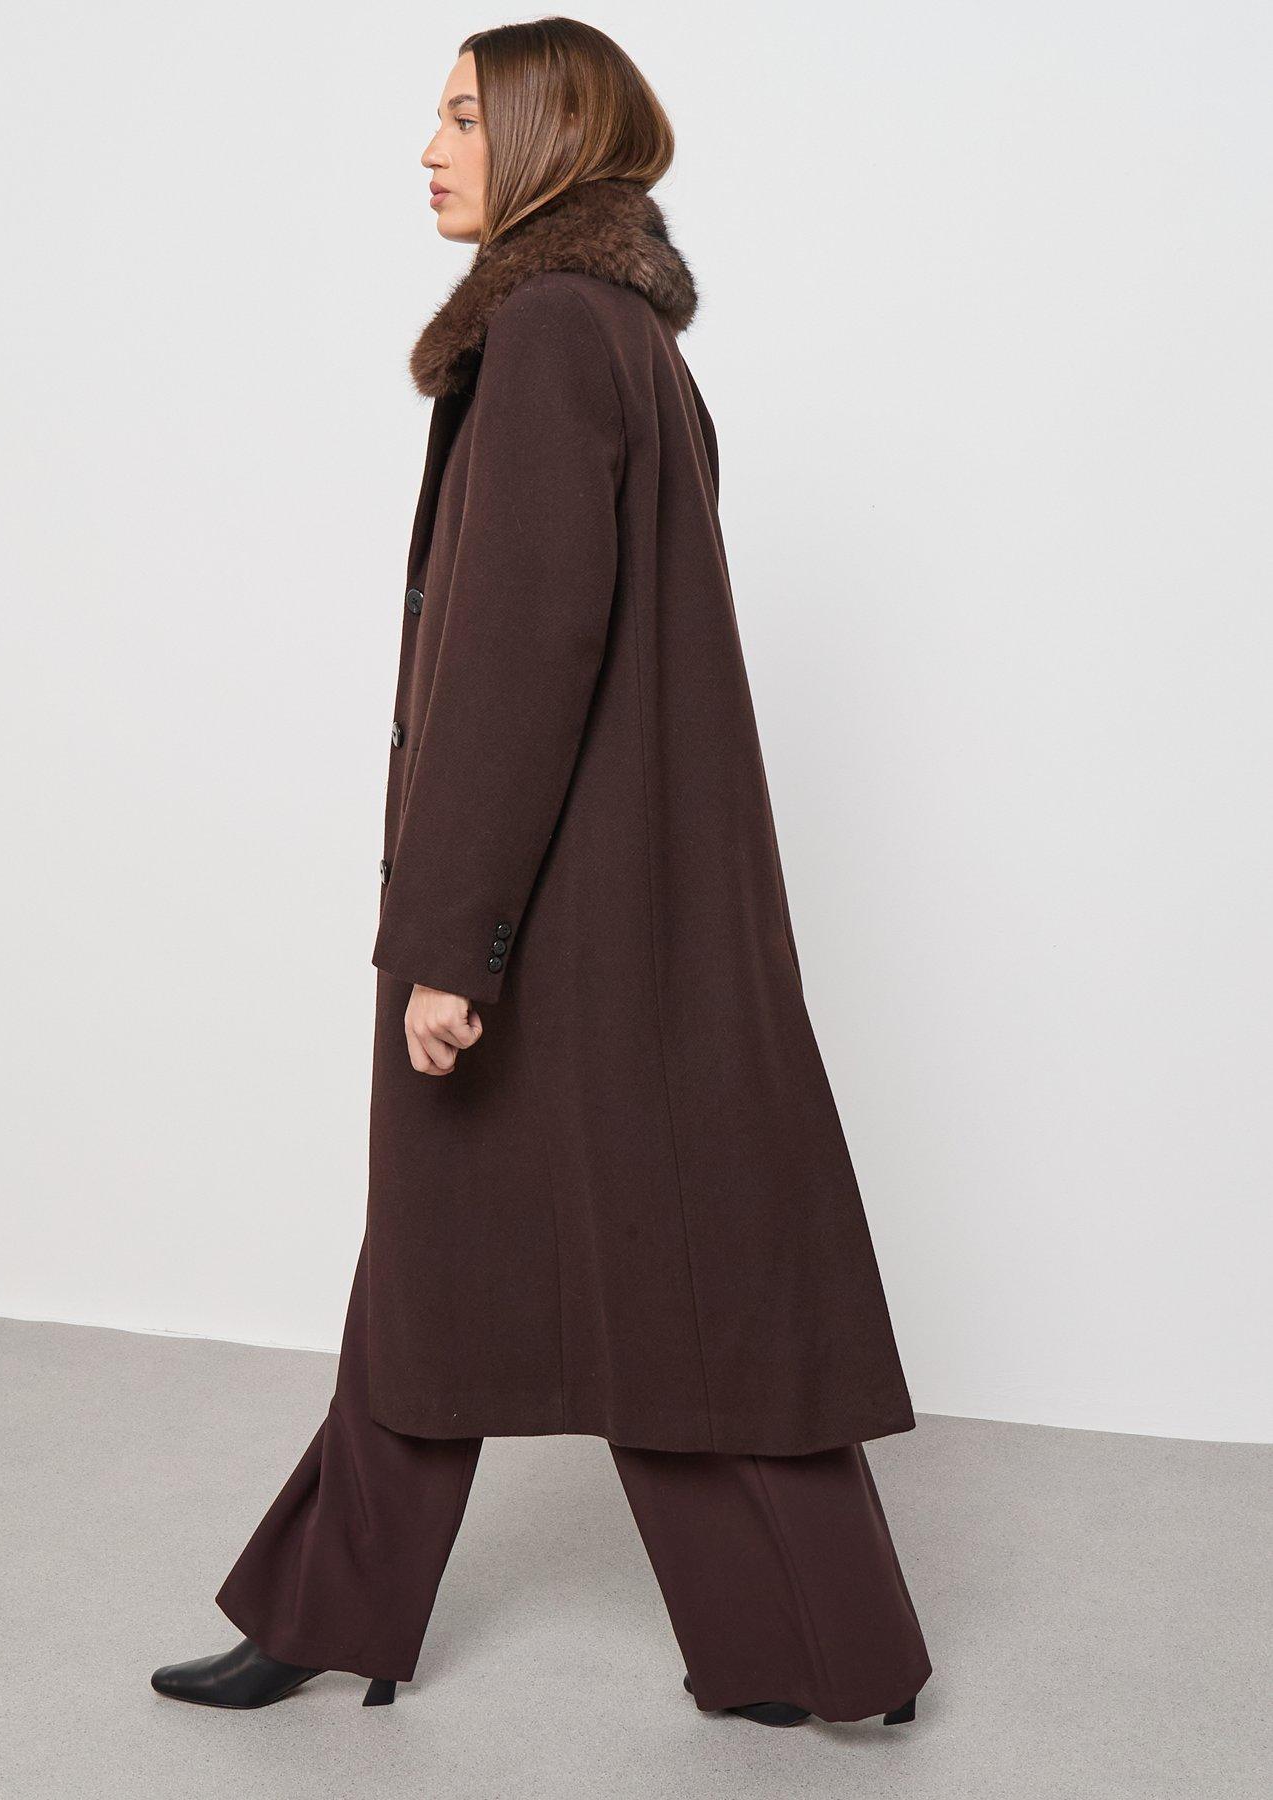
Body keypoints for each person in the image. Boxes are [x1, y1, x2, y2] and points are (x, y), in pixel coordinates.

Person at [151, 18, 932, 1731]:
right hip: (594, 907)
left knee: (672, 1281)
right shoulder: (615, 332)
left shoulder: (553, 331)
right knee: (455, 1270)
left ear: (548, 135)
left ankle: (823, 1656)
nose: (428, 148)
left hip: (552, 921)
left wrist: (452, 942)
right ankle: (336, 1610)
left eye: (459, 116)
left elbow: (521, 659)